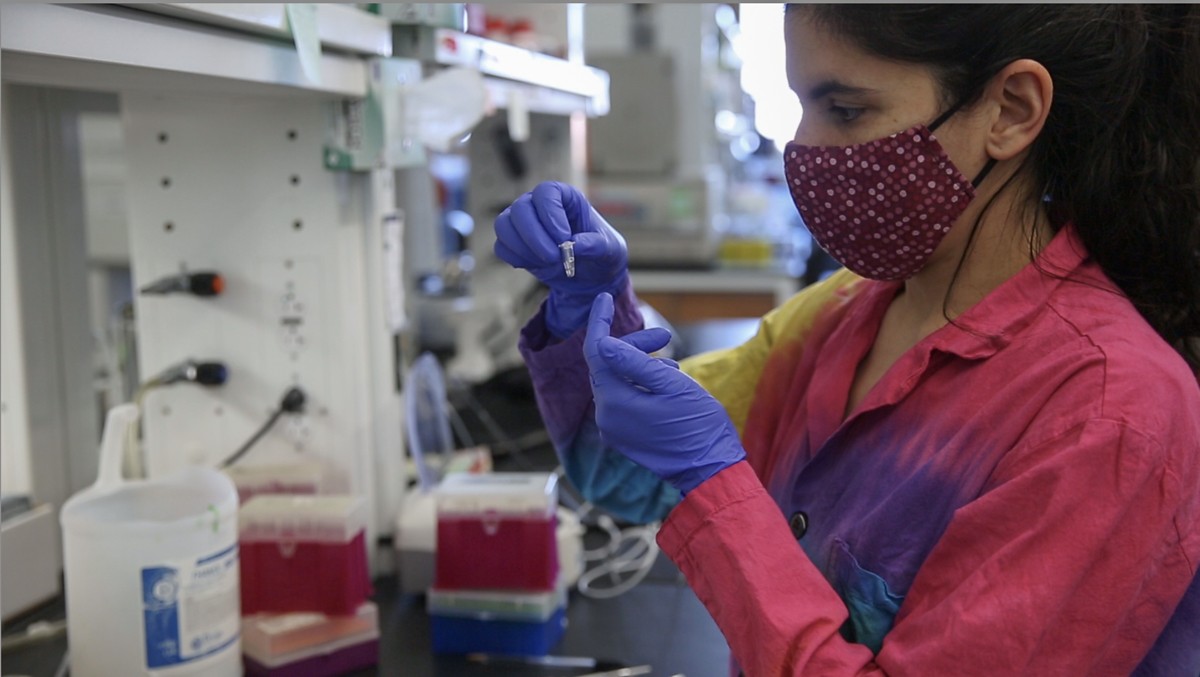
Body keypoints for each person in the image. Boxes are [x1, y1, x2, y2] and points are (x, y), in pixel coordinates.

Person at [492, 5, 1200, 675]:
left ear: (1010, 110)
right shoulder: (838, 316)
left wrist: (716, 482)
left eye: (847, 109)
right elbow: (619, 472)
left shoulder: (1110, 411)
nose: (805, 146)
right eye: (801, 105)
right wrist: (587, 308)